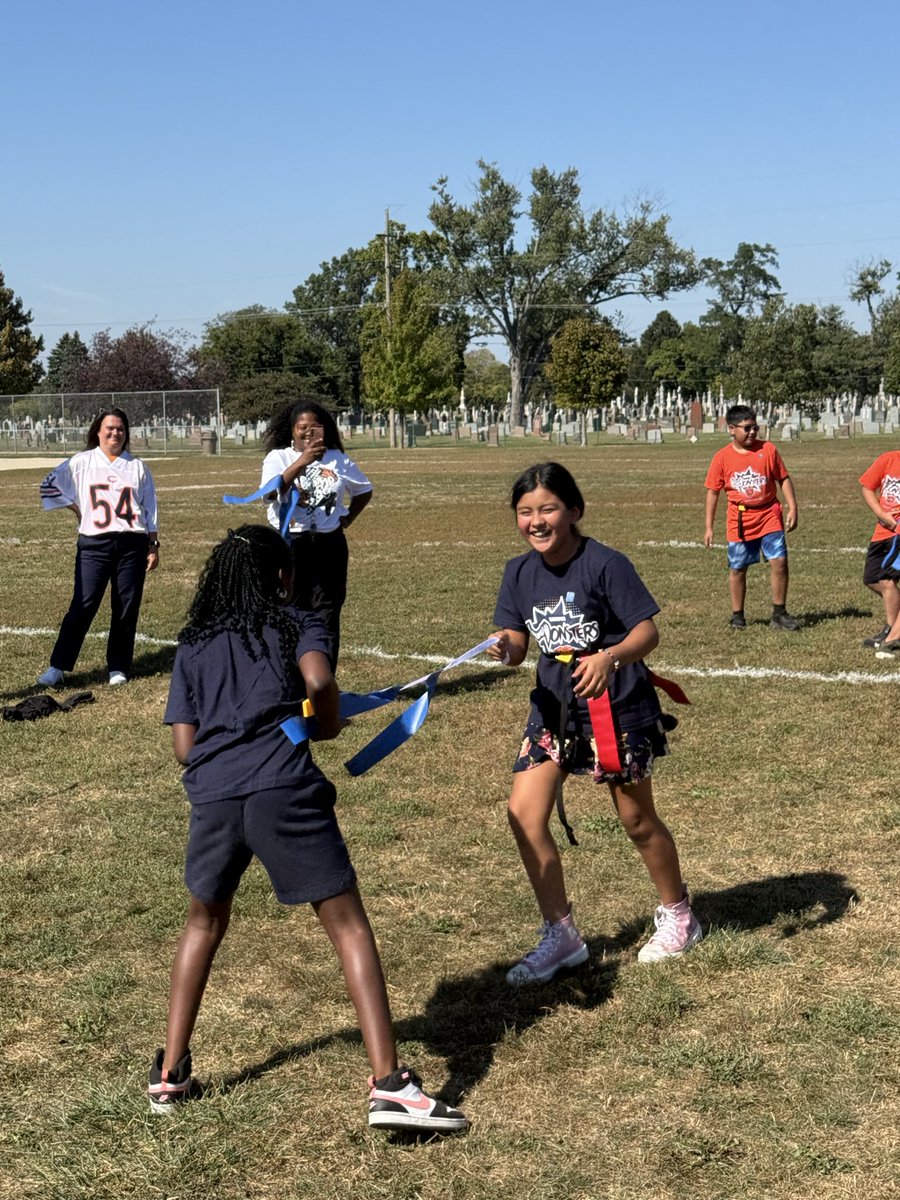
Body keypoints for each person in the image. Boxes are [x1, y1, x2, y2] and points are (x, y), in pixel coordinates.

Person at [150, 524, 466, 1132]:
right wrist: (321, 725)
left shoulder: (193, 644)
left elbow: (184, 748)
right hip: (282, 790)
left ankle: (170, 1072)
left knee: (203, 921)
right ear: (282, 576)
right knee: (347, 926)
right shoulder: (300, 623)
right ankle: (390, 1085)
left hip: (212, 798)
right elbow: (319, 682)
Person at [487, 462, 701, 985]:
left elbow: (646, 633)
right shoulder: (518, 572)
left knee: (636, 820)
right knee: (523, 814)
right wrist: (505, 648)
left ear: (573, 511)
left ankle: (680, 916)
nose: (536, 521)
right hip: (552, 711)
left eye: (547, 509)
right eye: (525, 512)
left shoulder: (605, 563)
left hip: (615, 709)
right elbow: (516, 641)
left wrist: (611, 657)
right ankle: (561, 935)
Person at [36, 408, 159, 687]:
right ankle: (58, 666)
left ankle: (118, 666)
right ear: (98, 431)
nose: (115, 433)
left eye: (121, 429)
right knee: (83, 604)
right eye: (110, 428)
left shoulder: (137, 466)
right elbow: (48, 485)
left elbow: (150, 508)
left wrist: (153, 544)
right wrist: (77, 509)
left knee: (126, 606)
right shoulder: (81, 462)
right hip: (94, 544)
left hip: (132, 544)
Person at [261, 399, 373, 669]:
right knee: (291, 610)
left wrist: (348, 516)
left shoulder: (338, 459)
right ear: (292, 430)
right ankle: (291, 682)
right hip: (291, 543)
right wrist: (302, 461)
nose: (308, 433)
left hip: (329, 544)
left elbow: (364, 490)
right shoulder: (278, 458)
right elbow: (268, 494)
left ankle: (325, 685)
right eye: (302, 427)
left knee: (327, 614)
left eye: (315, 427)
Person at [703, 405, 800, 630]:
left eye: (755, 427)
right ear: (731, 429)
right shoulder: (722, 458)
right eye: (746, 428)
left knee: (780, 561)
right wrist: (709, 526)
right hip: (740, 518)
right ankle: (738, 615)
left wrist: (793, 507)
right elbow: (713, 492)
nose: (752, 432)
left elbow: (783, 479)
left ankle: (779, 613)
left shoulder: (768, 450)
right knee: (738, 567)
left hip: (769, 513)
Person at [859, 449, 900, 657]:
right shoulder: (888, 459)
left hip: (899, 532)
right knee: (872, 578)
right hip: (882, 531)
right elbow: (867, 487)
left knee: (886, 579)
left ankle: (891, 631)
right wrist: (881, 514)